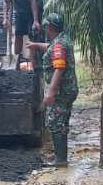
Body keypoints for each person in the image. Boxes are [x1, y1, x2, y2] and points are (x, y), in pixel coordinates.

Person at [26, 13, 77, 167]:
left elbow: (59, 69)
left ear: (48, 28)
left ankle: (61, 159)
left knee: (55, 123)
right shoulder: (63, 40)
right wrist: (35, 45)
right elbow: (51, 48)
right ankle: (60, 156)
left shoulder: (58, 46)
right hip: (69, 89)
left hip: (60, 91)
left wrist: (50, 92)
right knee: (62, 122)